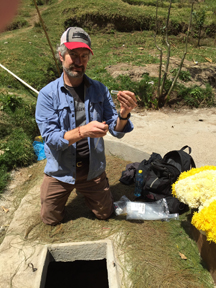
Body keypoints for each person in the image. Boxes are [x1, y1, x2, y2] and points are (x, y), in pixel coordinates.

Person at [35, 27, 137, 225]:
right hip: (61, 171)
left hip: (92, 170)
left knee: (105, 214)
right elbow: (52, 139)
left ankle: (92, 188)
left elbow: (116, 130)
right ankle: (63, 191)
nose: (79, 62)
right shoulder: (47, 95)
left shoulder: (99, 89)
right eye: (73, 55)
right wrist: (83, 131)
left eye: (84, 56)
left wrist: (123, 114)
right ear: (61, 56)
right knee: (50, 219)